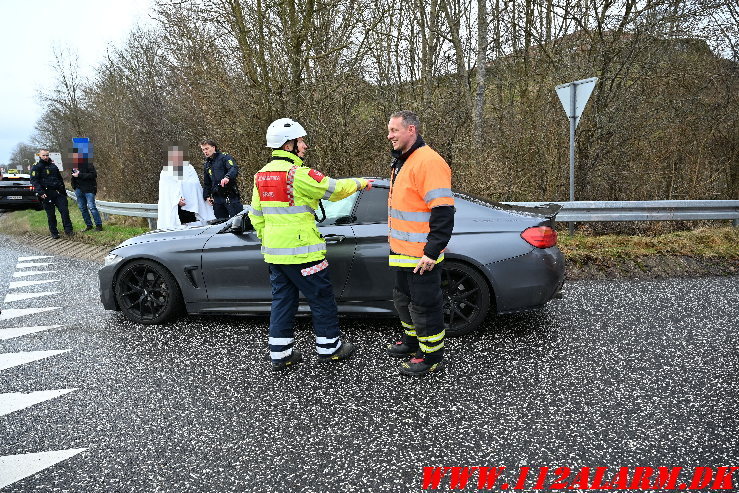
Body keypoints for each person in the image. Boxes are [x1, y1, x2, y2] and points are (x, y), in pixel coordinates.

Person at [248, 118, 372, 370]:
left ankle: (280, 354)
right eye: (300, 141)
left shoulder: (260, 176)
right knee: (321, 298)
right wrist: (360, 182)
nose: (304, 146)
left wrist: (269, 239)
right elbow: (335, 189)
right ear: (288, 144)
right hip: (304, 253)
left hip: (276, 255)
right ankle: (330, 348)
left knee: (282, 301)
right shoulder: (297, 174)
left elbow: (255, 215)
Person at [385, 110, 455, 376]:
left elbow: (443, 211)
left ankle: (431, 356)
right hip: (402, 253)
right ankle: (413, 342)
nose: (389, 135)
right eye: (389, 130)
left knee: (426, 307)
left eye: (394, 130)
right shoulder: (404, 160)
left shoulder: (428, 162)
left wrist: (432, 251)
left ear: (411, 130)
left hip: (421, 257)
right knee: (403, 301)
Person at [157, 145, 215, 229]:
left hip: (191, 205)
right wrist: (177, 199)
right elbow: (166, 191)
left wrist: (189, 198)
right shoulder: (166, 171)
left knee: (192, 228)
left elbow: (195, 185)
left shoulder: (189, 168)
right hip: (175, 207)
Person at [30, 149, 73, 239]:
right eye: (43, 156)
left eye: (47, 155)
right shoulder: (36, 167)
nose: (45, 157)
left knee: (64, 211)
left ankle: (69, 231)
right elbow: (34, 181)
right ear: (40, 156)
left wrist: (63, 192)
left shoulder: (53, 166)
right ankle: (54, 232)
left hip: (58, 193)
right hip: (46, 194)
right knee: (51, 214)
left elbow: (60, 179)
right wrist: (40, 192)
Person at [200, 139, 243, 220]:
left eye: (207, 148)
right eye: (203, 149)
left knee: (238, 220)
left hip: (230, 195)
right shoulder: (207, 164)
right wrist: (207, 196)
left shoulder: (225, 157)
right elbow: (207, 182)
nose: (205, 151)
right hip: (217, 198)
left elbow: (233, 168)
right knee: (220, 222)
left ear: (213, 147)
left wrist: (227, 177)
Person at [70, 146, 103, 231]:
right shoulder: (74, 165)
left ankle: (99, 225)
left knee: (92, 207)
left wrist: (80, 175)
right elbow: (73, 177)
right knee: (82, 208)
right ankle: (89, 225)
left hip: (88, 189)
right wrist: (74, 186)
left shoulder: (88, 163)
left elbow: (93, 175)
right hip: (78, 189)